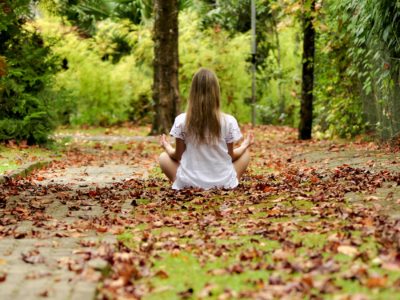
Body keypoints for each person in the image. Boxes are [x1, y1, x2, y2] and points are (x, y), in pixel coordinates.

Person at [158, 68, 254, 190]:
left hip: (190, 184)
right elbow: (231, 156)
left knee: (163, 157)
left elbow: (177, 156)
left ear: (193, 92)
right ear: (216, 92)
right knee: (245, 154)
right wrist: (245, 145)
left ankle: (187, 184)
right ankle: (228, 183)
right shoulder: (228, 121)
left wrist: (166, 146)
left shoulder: (181, 121)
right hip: (222, 184)